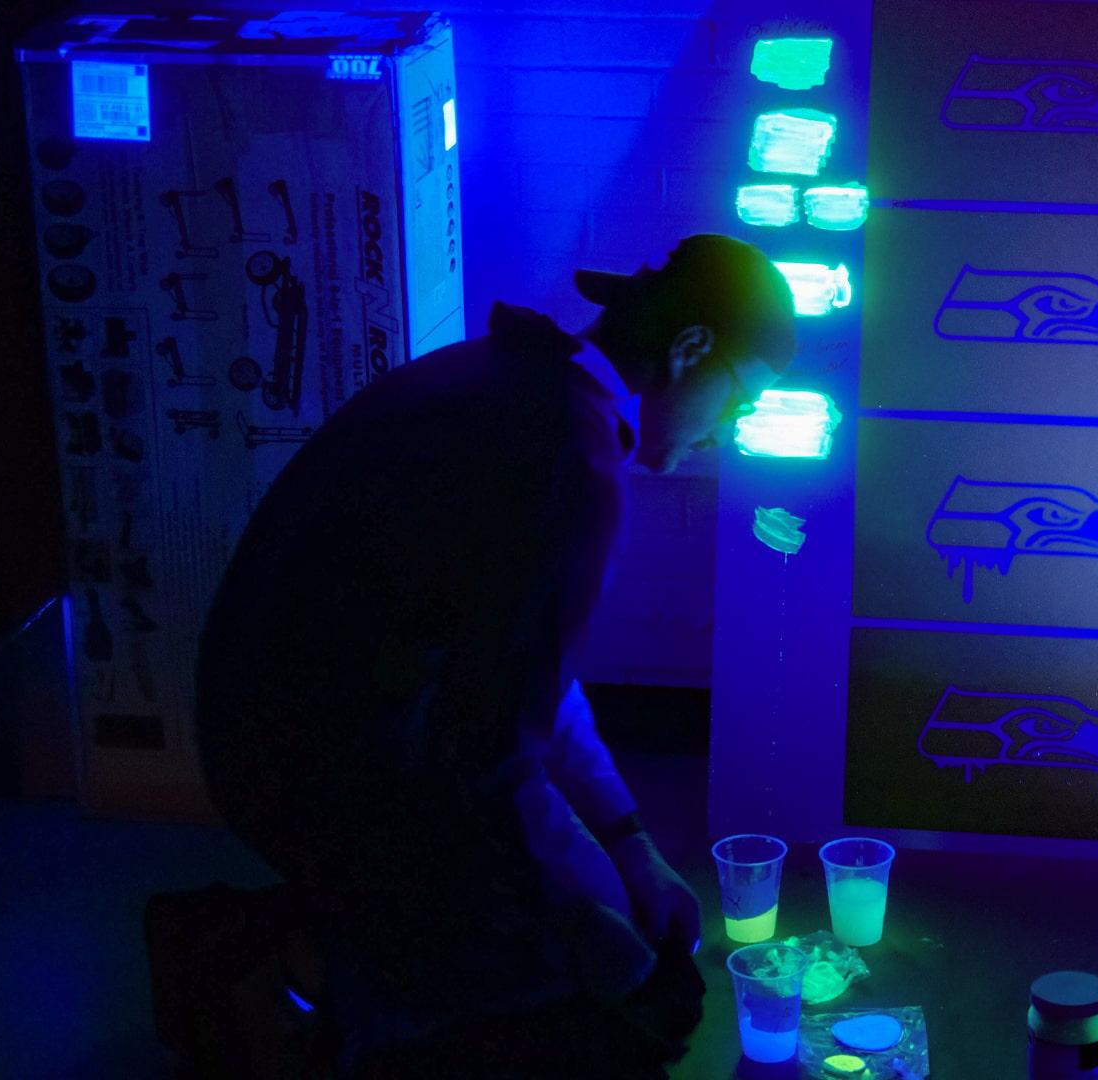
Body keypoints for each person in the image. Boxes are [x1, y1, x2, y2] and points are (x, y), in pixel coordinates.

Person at [191, 234, 796, 1076]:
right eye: (738, 401)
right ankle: (280, 981)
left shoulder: (521, 382)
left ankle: (330, 951)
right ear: (690, 349)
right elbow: (488, 755)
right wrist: (602, 954)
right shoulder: (571, 459)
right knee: (594, 1010)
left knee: (602, 923)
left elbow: (533, 682)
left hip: (273, 720)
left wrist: (632, 849)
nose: (727, 432)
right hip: (305, 763)